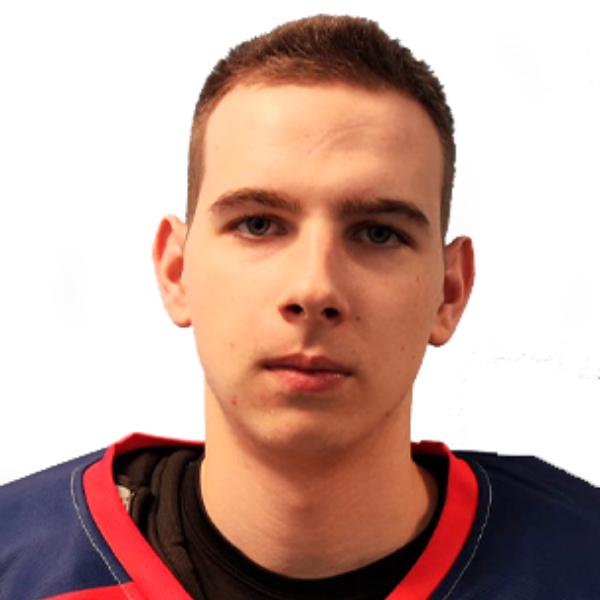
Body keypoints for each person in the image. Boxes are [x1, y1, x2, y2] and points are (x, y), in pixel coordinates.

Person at [1, 14, 598, 600]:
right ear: (177, 271)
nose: (314, 289)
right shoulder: (18, 563)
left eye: (378, 233)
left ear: (449, 292)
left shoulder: (580, 560)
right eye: (258, 224)